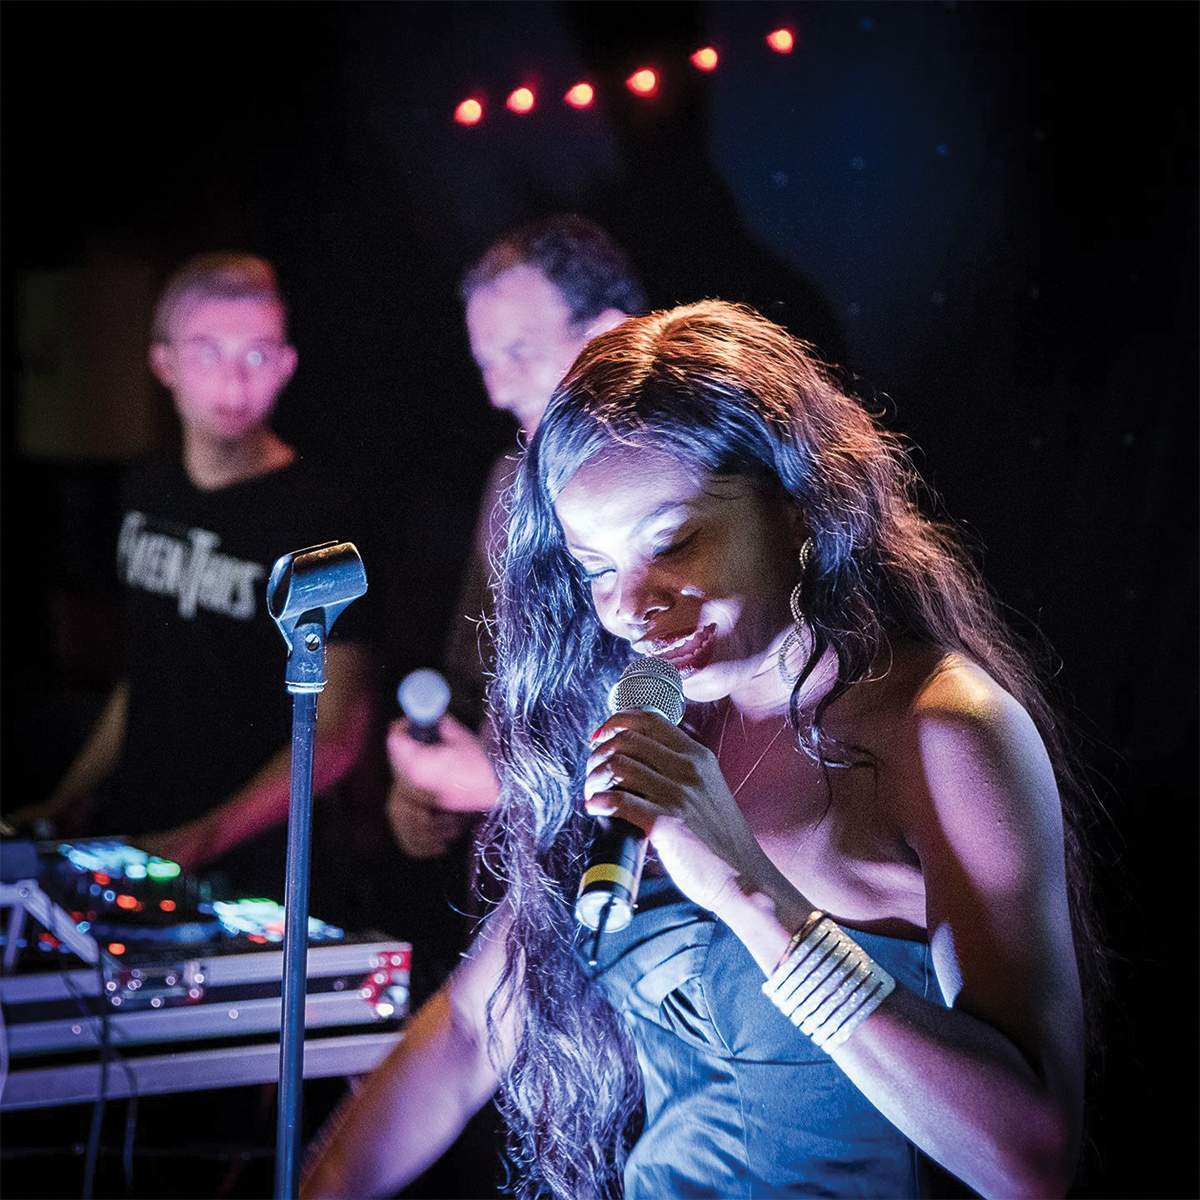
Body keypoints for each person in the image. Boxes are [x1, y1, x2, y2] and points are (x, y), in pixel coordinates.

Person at [304, 300, 1094, 1199]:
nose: (630, 606)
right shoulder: (655, 717)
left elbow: (1032, 1163)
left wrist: (746, 889)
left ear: (799, 505)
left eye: (672, 540)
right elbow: (471, 1032)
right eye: (596, 567)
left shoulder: (941, 730)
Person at [14, 253, 373, 897]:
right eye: (208, 352)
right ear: (165, 364)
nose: (234, 381)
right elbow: (146, 671)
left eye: (257, 354)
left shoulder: (323, 518)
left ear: (286, 365)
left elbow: (340, 733)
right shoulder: (147, 491)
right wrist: (72, 797)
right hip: (133, 839)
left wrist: (201, 841)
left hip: (258, 874)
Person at [384, 215, 646, 858]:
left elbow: (683, 713)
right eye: (486, 362)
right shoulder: (511, 482)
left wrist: (504, 783)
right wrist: (425, 784)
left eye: (520, 352)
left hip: (656, 883)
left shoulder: (689, 494)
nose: (497, 389)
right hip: (529, 877)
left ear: (608, 339)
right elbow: (475, 675)